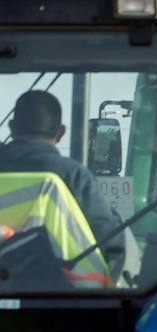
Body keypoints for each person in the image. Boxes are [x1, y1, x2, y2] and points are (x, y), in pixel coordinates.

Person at [0, 90, 120, 245]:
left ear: (11, 127)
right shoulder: (74, 176)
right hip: (61, 261)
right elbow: (110, 237)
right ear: (61, 133)